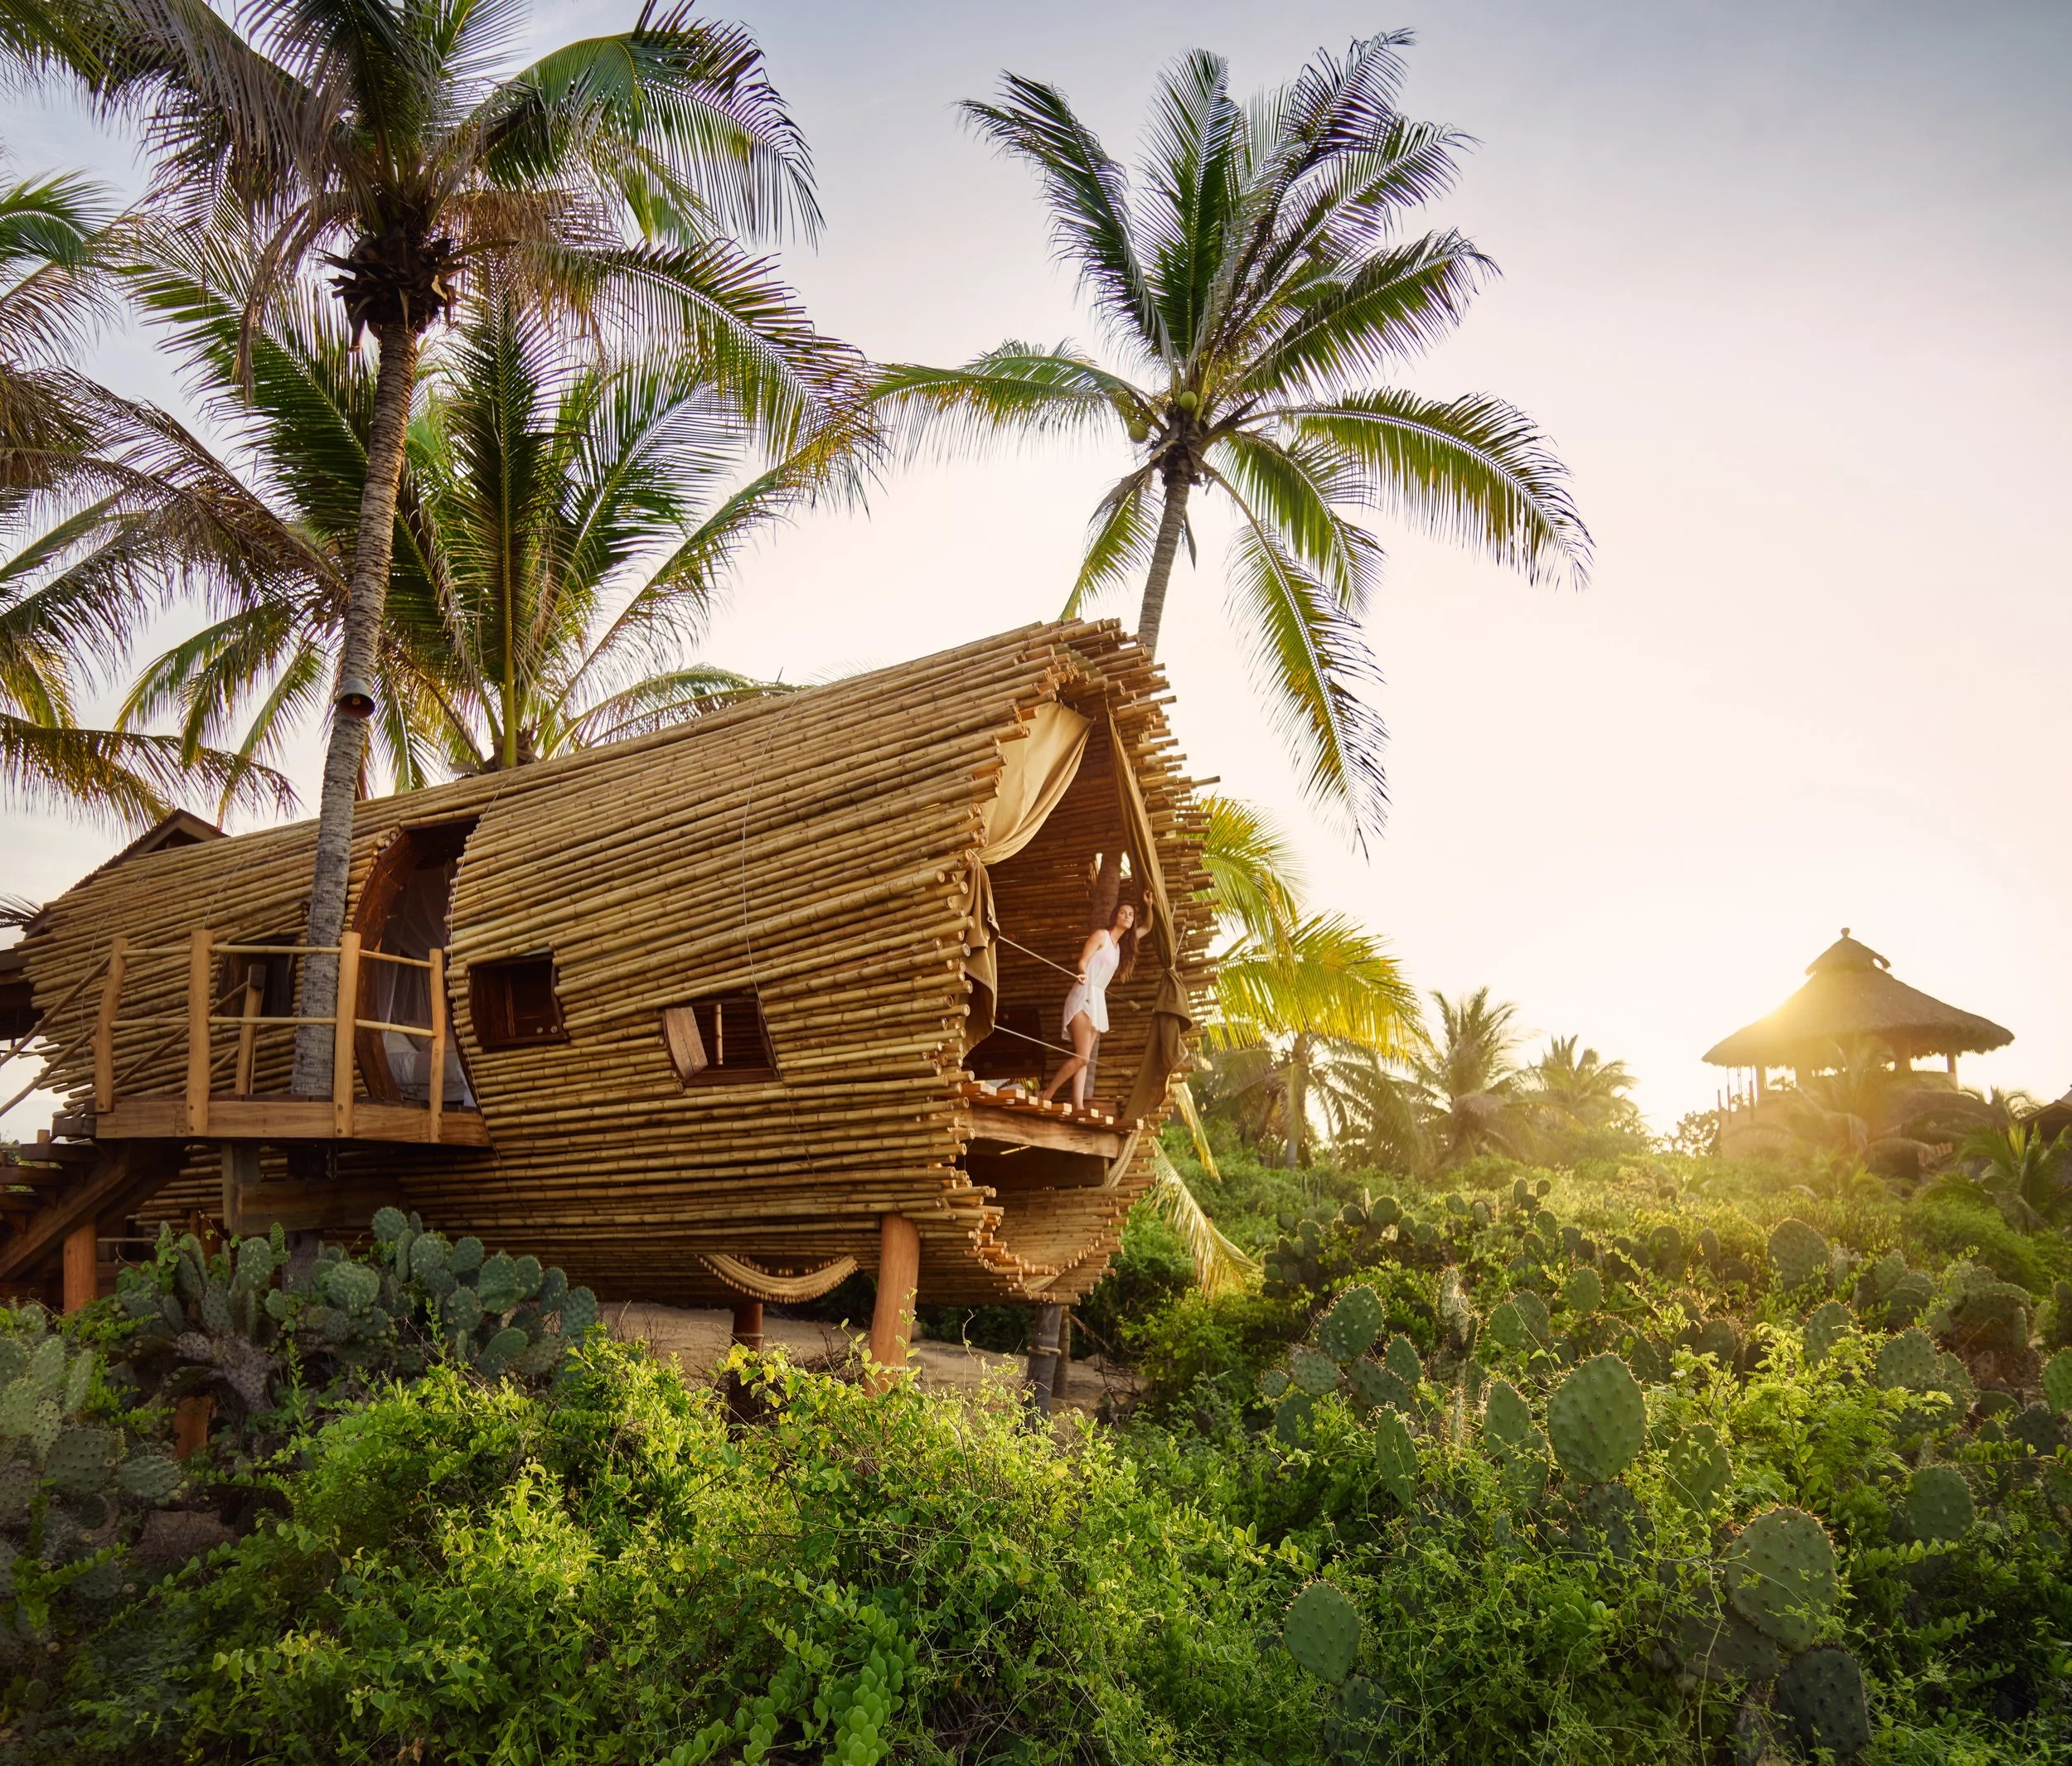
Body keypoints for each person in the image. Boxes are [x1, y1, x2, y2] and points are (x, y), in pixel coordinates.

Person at [1038, 900, 1138, 1110]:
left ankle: (1079, 1106)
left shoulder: (1118, 947)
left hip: (1097, 1000)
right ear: (1115, 916)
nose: (1127, 916)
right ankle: (1046, 1094)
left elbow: (1146, 928)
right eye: (1123, 912)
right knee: (1082, 1057)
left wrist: (1149, 905)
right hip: (1084, 993)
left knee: (1083, 1058)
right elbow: (1083, 960)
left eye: (1131, 914)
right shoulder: (1101, 936)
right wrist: (1083, 973)